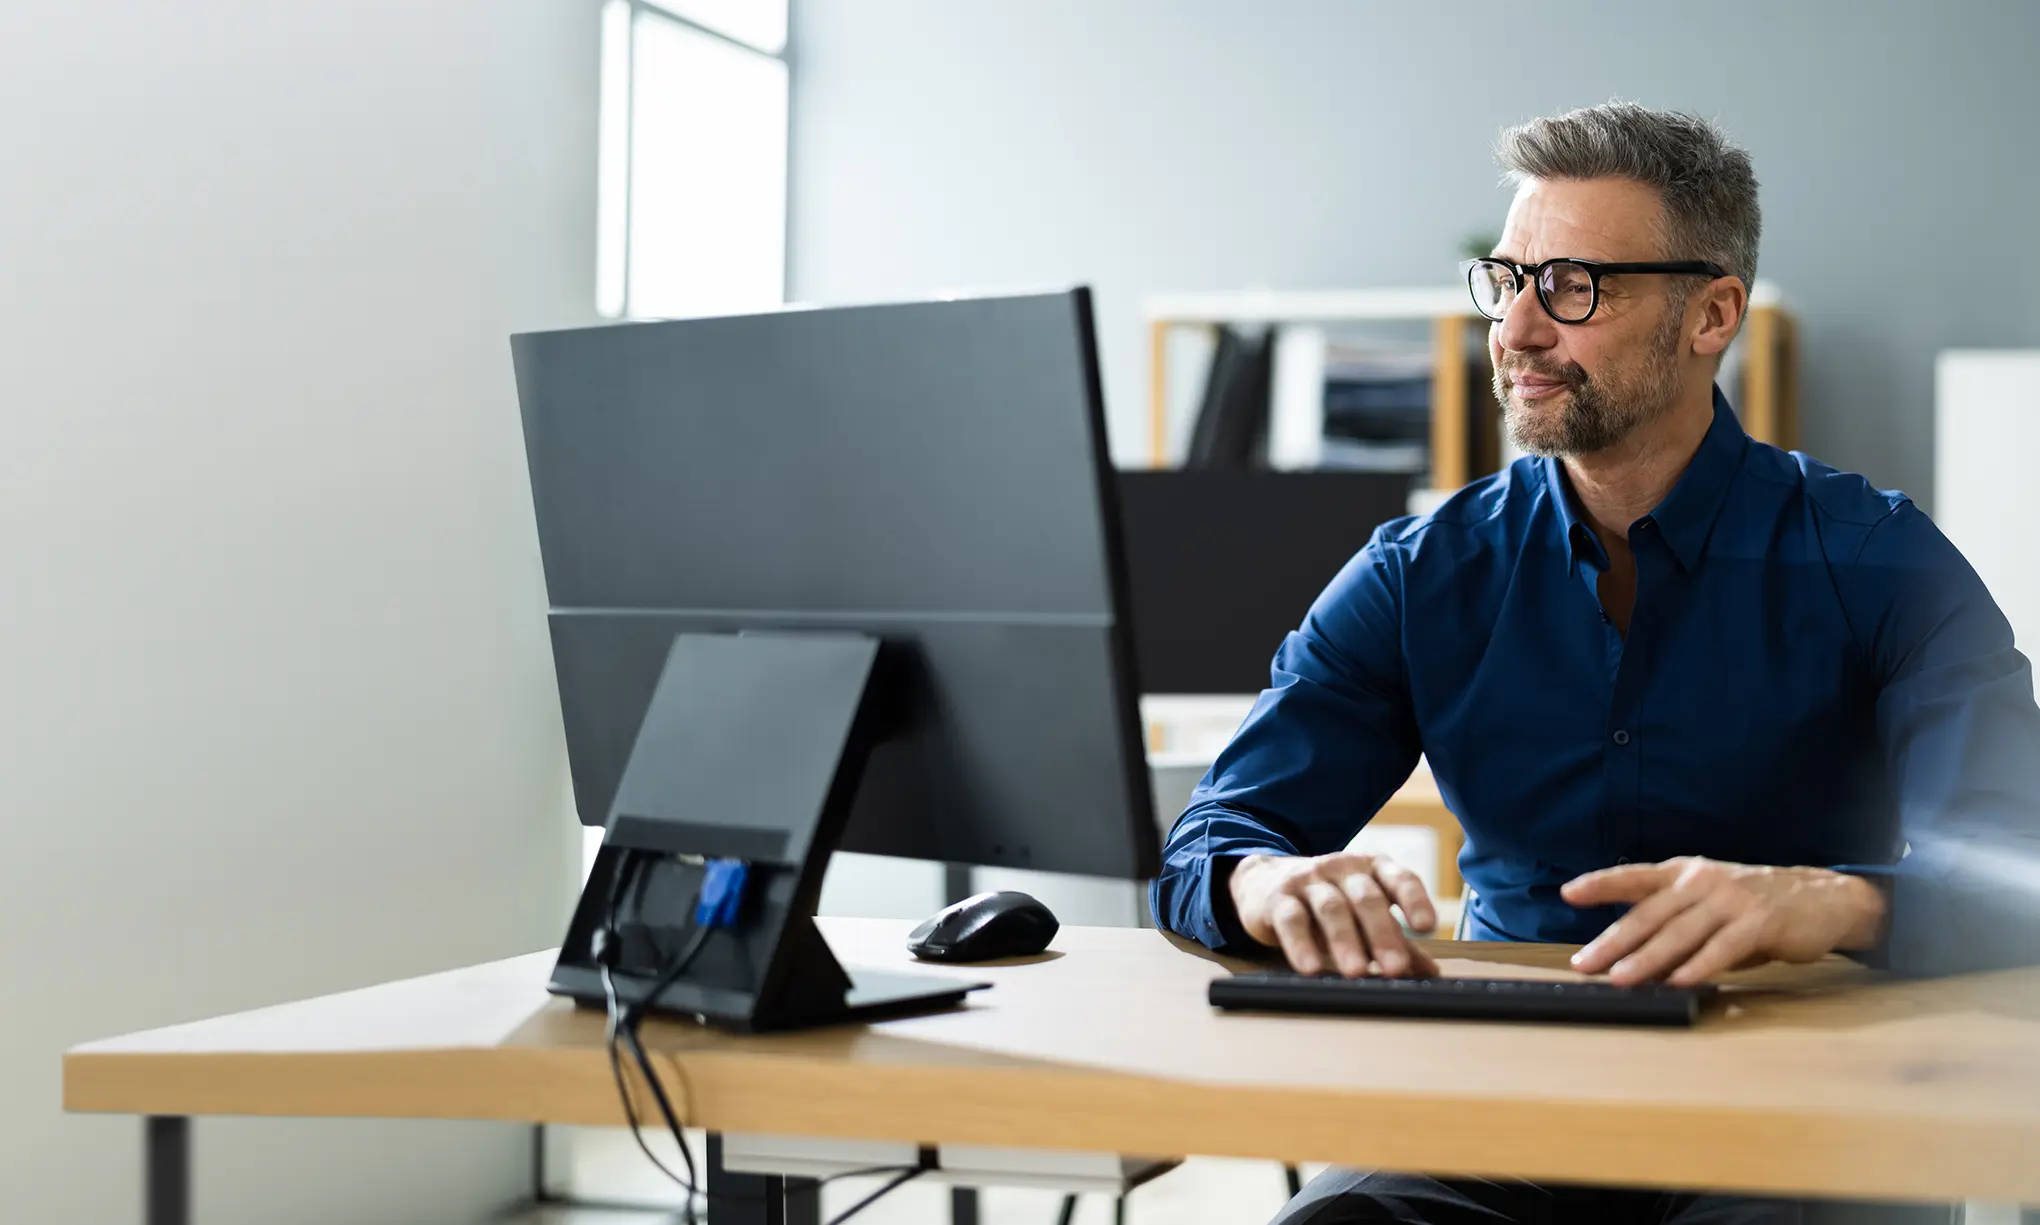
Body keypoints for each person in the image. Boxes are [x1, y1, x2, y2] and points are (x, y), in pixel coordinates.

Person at [1150, 102, 2040, 1225]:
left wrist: (1830, 903)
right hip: (1508, 1105)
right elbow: (1210, 843)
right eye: (1506, 280)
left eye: (1573, 286)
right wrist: (1268, 881)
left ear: (1713, 312)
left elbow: (2025, 877)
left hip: (1808, 1102)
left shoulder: (1881, 560)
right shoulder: (1422, 573)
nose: (1518, 331)